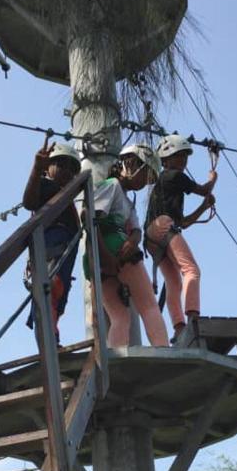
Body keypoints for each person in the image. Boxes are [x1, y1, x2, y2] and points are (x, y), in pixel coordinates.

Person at [85, 144, 169, 348]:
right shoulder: (112, 185)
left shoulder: (128, 201)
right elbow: (89, 217)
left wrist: (134, 239)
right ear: (130, 163)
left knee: (120, 317)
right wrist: (106, 254)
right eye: (145, 175)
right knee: (148, 305)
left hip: (98, 260)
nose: (143, 184)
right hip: (115, 249)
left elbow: (137, 229)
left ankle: (116, 357)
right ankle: (162, 348)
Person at [144, 134, 217, 343]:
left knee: (174, 282)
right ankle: (193, 315)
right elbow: (203, 190)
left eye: (185, 157)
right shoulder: (173, 175)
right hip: (163, 225)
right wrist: (213, 179)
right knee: (191, 269)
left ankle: (178, 327)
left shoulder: (168, 183)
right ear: (166, 160)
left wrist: (204, 207)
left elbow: (182, 223)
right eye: (179, 157)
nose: (183, 162)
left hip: (153, 236)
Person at [22, 139, 82, 345]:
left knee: (57, 299)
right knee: (49, 293)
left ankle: (52, 341)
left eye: (72, 168)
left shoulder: (66, 198)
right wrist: (37, 169)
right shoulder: (46, 186)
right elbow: (29, 201)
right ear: (48, 168)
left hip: (64, 252)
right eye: (61, 164)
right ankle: (49, 344)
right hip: (51, 250)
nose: (67, 171)